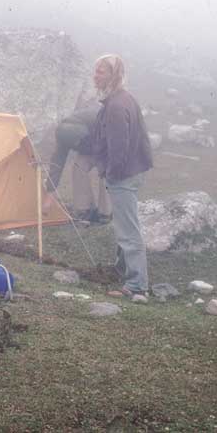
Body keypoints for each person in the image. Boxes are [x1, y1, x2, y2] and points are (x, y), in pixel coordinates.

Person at [90, 54, 153, 302]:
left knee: (128, 230)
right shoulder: (122, 99)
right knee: (124, 223)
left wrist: (111, 173)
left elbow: (119, 147)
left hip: (124, 175)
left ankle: (137, 286)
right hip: (132, 172)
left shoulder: (117, 105)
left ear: (114, 75)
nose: (95, 75)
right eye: (95, 71)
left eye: (101, 72)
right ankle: (122, 269)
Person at [42, 97, 112, 223]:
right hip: (89, 147)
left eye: (79, 142)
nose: (76, 145)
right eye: (74, 144)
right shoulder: (63, 135)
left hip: (105, 146)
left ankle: (106, 212)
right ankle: (84, 210)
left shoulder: (98, 118)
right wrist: (50, 192)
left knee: (106, 171)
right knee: (78, 167)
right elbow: (56, 165)